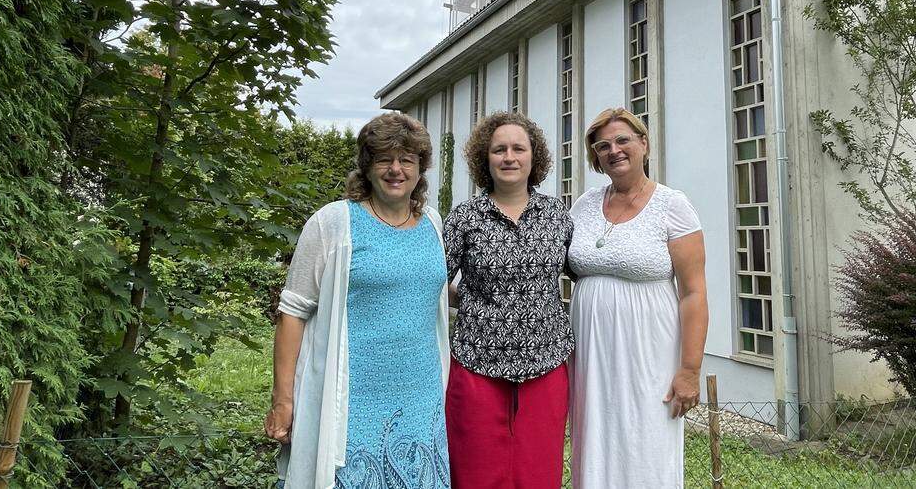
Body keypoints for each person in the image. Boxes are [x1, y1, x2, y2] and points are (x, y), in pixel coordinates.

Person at [265, 112, 451, 489]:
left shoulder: (434, 222)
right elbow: (292, 313)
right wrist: (283, 400)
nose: (395, 169)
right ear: (367, 167)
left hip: (421, 396)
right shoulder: (332, 223)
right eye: (385, 158)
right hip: (350, 402)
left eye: (407, 160)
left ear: (420, 169)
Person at [567, 107, 708, 489]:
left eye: (623, 140)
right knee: (594, 437)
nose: (614, 150)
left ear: (643, 144)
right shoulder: (583, 205)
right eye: (602, 146)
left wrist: (690, 370)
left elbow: (694, 293)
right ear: (595, 157)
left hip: (650, 353)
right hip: (592, 356)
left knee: (646, 440)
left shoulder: (672, 205)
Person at [442, 111, 574, 489]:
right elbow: (436, 281)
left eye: (519, 148)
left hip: (546, 361)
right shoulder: (465, 218)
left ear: (535, 158)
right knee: (476, 469)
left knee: (538, 469)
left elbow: (583, 270)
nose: (509, 157)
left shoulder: (557, 215)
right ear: (486, 159)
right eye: (499, 149)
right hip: (476, 363)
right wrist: (468, 297)